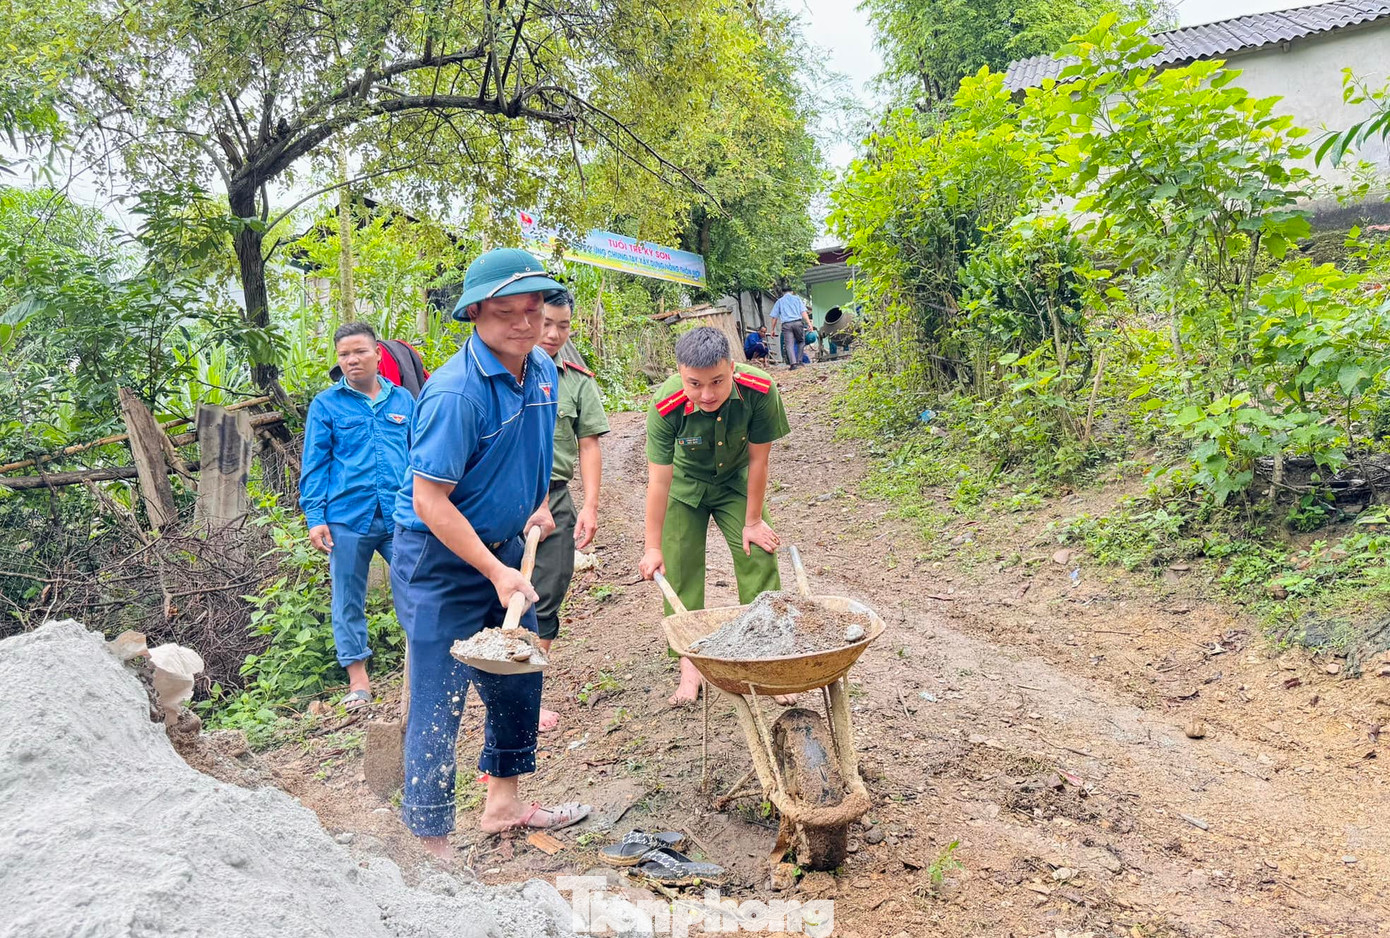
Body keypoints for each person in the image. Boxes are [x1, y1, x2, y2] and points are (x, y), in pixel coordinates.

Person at [390, 248, 590, 859]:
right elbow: (430, 502)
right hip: (439, 562)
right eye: (507, 313)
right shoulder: (456, 394)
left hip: (505, 549)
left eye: (534, 311)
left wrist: (533, 505)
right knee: (440, 693)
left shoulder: (545, 372)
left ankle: (503, 804)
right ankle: (430, 842)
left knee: (518, 679)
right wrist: (498, 571)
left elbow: (532, 449)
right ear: (475, 312)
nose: (525, 325)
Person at [637, 327, 792, 704]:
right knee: (679, 567)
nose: (706, 394)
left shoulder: (759, 389)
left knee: (758, 556)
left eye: (717, 382)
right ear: (680, 372)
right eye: (695, 383)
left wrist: (753, 521)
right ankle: (691, 666)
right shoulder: (665, 404)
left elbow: (759, 458)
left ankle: (766, 661)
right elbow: (658, 481)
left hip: (737, 480)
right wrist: (652, 547)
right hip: (684, 485)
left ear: (732, 368)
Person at [299, 322, 415, 711]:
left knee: (417, 587)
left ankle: (420, 667)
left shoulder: (403, 402)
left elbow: (419, 459)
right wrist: (315, 517)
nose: (352, 360)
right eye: (344, 354)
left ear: (377, 353)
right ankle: (359, 681)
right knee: (348, 597)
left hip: (399, 516)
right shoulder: (327, 405)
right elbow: (315, 464)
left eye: (359, 351)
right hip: (347, 518)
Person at [532, 289, 610, 733]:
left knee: (547, 593)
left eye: (562, 326)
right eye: (546, 323)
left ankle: (529, 693)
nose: (553, 334)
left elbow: (589, 445)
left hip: (557, 496)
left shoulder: (577, 381)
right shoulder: (505, 373)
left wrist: (591, 505)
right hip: (505, 499)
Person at [769, 287, 813, 371]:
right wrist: (809, 324)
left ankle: (793, 364)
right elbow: (803, 312)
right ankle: (799, 361)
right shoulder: (797, 299)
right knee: (801, 341)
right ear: (792, 292)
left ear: (783, 293)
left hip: (786, 325)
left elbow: (774, 317)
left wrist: (772, 329)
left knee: (789, 344)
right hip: (797, 323)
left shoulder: (779, 301)